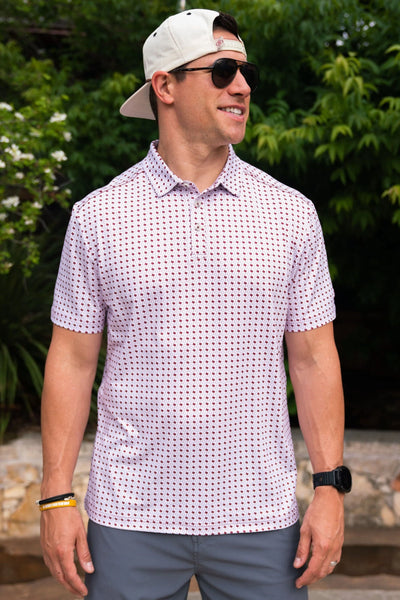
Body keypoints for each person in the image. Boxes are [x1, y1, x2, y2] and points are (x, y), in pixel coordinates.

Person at [39, 8, 351, 600]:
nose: (243, 86)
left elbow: (313, 358)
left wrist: (330, 488)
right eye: (224, 71)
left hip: (260, 514)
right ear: (165, 86)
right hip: (129, 515)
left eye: (246, 72)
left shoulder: (291, 214)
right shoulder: (98, 217)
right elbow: (72, 362)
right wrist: (56, 498)